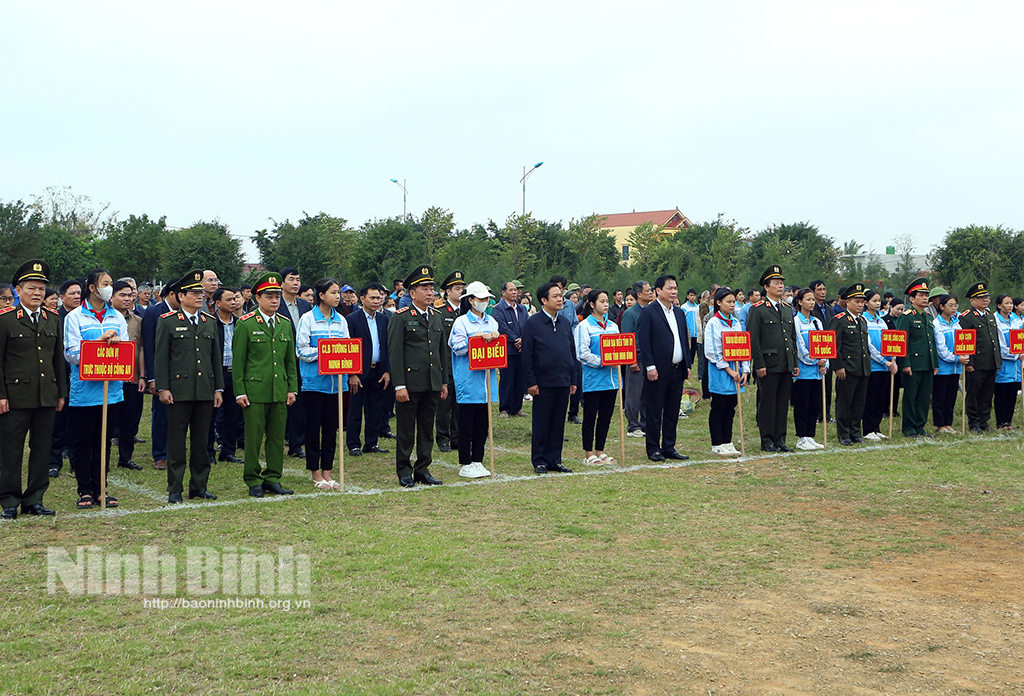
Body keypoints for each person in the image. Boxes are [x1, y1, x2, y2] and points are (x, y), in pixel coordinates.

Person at [0, 261, 65, 519]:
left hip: (46, 395)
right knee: (11, 450)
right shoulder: (5, 320)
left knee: (41, 449)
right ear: (18, 290)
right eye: (31, 288)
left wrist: (61, 393)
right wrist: (1, 395)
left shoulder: (53, 319)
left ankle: (34, 499)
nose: (37, 293)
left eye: (41, 288)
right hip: (15, 397)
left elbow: (57, 360)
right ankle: (8, 500)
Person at [154, 270, 223, 504]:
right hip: (179, 390)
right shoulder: (168, 321)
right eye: (194, 293)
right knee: (176, 441)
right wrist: (162, 387)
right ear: (180, 296)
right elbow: (161, 357)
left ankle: (199, 486)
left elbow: (215, 358)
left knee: (202, 441)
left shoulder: (209, 322)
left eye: (201, 292)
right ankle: (175, 487)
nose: (199, 296)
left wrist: (218, 389)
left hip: (204, 389)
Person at [64, 268, 129, 509]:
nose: (109, 288)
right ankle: (85, 490)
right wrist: (98, 343)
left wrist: (116, 343)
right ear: (92, 288)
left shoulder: (117, 317)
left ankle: (101, 488)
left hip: (111, 391)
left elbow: (125, 351)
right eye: (105, 283)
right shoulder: (75, 317)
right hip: (84, 392)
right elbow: (71, 354)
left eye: (111, 283)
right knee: (83, 441)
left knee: (103, 442)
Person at [234, 272, 298, 497]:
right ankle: (253, 479)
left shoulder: (284, 323)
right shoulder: (246, 324)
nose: (274, 300)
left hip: (279, 389)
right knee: (253, 437)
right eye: (269, 296)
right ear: (257, 298)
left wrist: (292, 388)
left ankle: (273, 477)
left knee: (277, 437)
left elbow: (290, 360)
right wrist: (239, 391)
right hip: (255, 390)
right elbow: (239, 361)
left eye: (277, 296)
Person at [387, 265, 450, 487]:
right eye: (424, 288)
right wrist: (399, 385)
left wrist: (443, 381)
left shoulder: (437, 316)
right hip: (410, 383)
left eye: (431, 287)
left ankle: (423, 469)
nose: (430, 292)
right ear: (412, 293)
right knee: (406, 429)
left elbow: (442, 351)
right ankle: (404, 469)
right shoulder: (401, 317)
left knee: (426, 429)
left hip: (431, 382)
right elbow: (395, 354)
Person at [296, 278, 349, 489]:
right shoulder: (308, 319)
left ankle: (327, 470)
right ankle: (315, 472)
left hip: (336, 385)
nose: (338, 296)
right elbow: (301, 350)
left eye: (338, 293)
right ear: (321, 295)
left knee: (330, 428)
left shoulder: (341, 321)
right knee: (313, 428)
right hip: (314, 384)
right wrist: (326, 353)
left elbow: (347, 348)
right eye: (333, 292)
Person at [522, 282, 576, 474]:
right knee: (541, 422)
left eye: (561, 295)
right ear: (544, 300)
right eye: (555, 296)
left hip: (563, 380)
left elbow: (571, 352)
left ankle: (555, 459)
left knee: (558, 422)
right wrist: (531, 381)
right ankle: (540, 460)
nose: (560, 299)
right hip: (542, 382)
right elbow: (527, 355)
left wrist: (573, 379)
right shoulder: (533, 323)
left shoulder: (564, 323)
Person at [636, 274, 691, 462]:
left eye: (675, 288)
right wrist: (650, 366)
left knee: (672, 410)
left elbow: (684, 340)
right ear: (658, 291)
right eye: (669, 288)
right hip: (657, 370)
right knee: (654, 410)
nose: (674, 291)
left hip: (677, 369)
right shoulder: (648, 312)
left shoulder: (679, 312)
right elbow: (644, 341)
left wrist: (687, 364)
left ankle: (669, 446)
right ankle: (653, 448)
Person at [448, 281, 499, 478]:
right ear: (470, 300)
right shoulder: (461, 322)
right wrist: (475, 339)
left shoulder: (492, 322)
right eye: (480, 299)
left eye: (486, 299)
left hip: (486, 381)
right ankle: (465, 462)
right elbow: (457, 347)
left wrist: (495, 337)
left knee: (482, 424)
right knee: (466, 424)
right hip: (468, 380)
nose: (484, 302)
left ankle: (478, 460)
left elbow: (497, 350)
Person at [748, 266, 798, 452]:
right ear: (766, 287)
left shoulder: (787, 308)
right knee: (768, 403)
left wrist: (794, 362)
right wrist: (759, 363)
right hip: (768, 365)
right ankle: (767, 439)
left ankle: (780, 438)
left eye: (781, 283)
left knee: (782, 402)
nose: (780, 286)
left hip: (785, 363)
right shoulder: (759, 309)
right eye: (776, 283)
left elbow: (791, 338)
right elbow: (754, 338)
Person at [574, 289, 621, 466]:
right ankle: (588, 453)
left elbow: (619, 349)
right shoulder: (584, 327)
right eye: (602, 301)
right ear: (592, 305)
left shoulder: (613, 326)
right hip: (593, 379)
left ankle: (600, 450)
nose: (606, 304)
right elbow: (582, 353)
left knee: (606, 416)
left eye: (607, 301)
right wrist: (602, 362)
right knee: (590, 417)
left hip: (612, 379)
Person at [346, 283, 391, 457]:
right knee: (355, 409)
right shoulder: (352, 319)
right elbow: (349, 347)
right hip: (359, 372)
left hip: (378, 370)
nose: (376, 301)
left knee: (375, 409)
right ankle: (353, 444)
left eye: (379, 298)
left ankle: (371, 442)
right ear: (362, 298)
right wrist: (352, 373)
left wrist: (387, 370)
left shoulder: (384, 319)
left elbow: (387, 347)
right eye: (372, 298)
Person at [703, 287, 748, 456]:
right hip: (721, 372)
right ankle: (717, 443)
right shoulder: (714, 323)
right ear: (718, 303)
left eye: (733, 302)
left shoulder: (736, 323)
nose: (732, 305)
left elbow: (743, 347)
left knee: (731, 408)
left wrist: (744, 370)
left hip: (736, 372)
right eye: (728, 302)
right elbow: (712, 351)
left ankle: (727, 441)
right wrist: (729, 370)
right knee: (719, 407)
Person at [142, 280, 180, 471]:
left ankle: (176, 451)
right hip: (162, 373)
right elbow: (149, 346)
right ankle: (160, 454)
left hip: (182, 373)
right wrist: (153, 377)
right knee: (162, 416)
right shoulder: (155, 312)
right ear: (172, 294)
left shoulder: (187, 313)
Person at [895, 278, 939, 438]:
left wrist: (935, 363)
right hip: (912, 364)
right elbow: (903, 342)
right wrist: (905, 363)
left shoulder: (927, 317)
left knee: (924, 398)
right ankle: (909, 428)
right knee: (911, 397)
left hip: (926, 364)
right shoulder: (906, 317)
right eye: (921, 295)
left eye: (926, 295)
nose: (925, 298)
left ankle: (920, 426)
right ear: (912, 299)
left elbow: (931, 342)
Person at [828, 283, 871, 446]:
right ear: (847, 302)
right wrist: (838, 366)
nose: (860, 305)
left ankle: (855, 432)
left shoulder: (862, 321)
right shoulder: (839, 320)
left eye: (862, 301)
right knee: (844, 402)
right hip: (847, 368)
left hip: (862, 367)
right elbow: (835, 346)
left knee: (859, 402)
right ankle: (844, 433)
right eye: (856, 301)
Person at [111, 280, 147, 470]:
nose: (127, 298)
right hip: (107, 378)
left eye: (129, 295)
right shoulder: (104, 319)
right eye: (122, 295)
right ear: (111, 296)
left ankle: (125, 458)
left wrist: (141, 376)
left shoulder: (137, 321)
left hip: (131, 378)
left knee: (129, 420)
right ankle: (100, 457)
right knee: (107, 420)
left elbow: (140, 348)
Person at [278, 267, 312, 459]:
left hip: (305, 360)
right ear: (282, 283)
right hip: (284, 360)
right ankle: (287, 437)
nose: (296, 283)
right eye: (291, 279)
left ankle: (297, 443)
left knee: (301, 401)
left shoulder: (305, 305)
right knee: (288, 401)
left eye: (298, 279)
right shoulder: (276, 304)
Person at [958, 282, 1001, 433]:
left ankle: (984, 421)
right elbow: (966, 342)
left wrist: (997, 360)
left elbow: (994, 340)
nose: (985, 300)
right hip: (976, 363)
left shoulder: (990, 316)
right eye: (981, 297)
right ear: (972, 300)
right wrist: (970, 362)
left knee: (987, 394)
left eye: (986, 297)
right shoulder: (967, 317)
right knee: (974, 394)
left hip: (990, 361)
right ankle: (974, 423)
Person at [792, 288, 827, 450]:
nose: (812, 302)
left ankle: (810, 435)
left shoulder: (817, 322)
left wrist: (825, 363)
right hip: (803, 372)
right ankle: (801, 437)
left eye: (813, 299)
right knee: (802, 405)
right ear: (799, 302)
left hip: (817, 374)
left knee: (814, 405)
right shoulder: (796, 321)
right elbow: (800, 349)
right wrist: (815, 362)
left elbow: (824, 345)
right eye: (808, 299)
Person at [433, 270, 464, 452]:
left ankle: (457, 436)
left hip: (463, 365)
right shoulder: (439, 312)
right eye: (457, 288)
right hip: (445, 363)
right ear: (447, 292)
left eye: (462, 288)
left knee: (460, 403)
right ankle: (442, 437)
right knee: (444, 403)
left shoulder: (467, 312)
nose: (461, 291)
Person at [862, 290, 898, 441]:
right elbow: (869, 346)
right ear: (866, 303)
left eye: (879, 301)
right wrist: (884, 361)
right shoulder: (863, 319)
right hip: (873, 365)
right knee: (870, 399)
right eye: (874, 300)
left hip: (885, 366)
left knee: (881, 399)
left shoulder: (881, 320)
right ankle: (868, 429)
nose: (877, 303)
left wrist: (893, 359)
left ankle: (876, 428)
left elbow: (890, 342)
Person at [212, 287, 243, 462]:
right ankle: (209, 450)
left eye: (234, 299)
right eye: (229, 300)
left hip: (235, 373)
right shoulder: (209, 322)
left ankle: (229, 451)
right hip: (216, 373)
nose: (233, 302)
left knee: (234, 413)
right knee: (212, 413)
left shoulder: (240, 323)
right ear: (217, 303)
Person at [493, 280, 529, 419]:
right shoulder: (499, 308)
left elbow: (527, 325)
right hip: (508, 349)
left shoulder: (521, 309)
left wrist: (523, 339)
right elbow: (502, 327)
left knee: (520, 379)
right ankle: (505, 408)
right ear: (503, 292)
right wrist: (515, 339)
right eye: (511, 290)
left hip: (521, 350)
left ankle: (517, 408)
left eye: (515, 290)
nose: (514, 292)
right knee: (507, 379)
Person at [620, 280, 651, 438]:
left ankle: (645, 423)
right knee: (634, 393)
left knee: (648, 393)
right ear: (639, 294)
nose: (651, 292)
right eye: (648, 290)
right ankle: (633, 425)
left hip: (650, 358)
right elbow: (626, 338)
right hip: (636, 358)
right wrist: (631, 360)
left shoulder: (652, 310)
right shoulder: (630, 313)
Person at [932, 294, 967, 434]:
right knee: (940, 397)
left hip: (955, 368)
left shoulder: (957, 323)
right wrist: (956, 358)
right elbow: (941, 349)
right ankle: (940, 425)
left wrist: (965, 356)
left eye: (955, 305)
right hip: (943, 367)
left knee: (951, 397)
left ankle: (948, 423)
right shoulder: (937, 324)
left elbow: (964, 342)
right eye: (950, 305)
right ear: (941, 306)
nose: (954, 308)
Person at [993, 294, 1022, 429]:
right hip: (1004, 363)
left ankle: (1008, 422)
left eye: (1011, 303)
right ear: (999, 305)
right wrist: (1015, 355)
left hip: (1016, 366)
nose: (1010, 306)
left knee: (1012, 394)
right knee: (1001, 395)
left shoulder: (1016, 321)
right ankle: (1000, 422)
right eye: (1006, 303)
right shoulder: (995, 321)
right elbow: (1000, 347)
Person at [809, 280, 835, 423]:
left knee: (828, 382)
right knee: (817, 384)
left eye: (824, 289)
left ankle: (827, 413)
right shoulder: (811, 309)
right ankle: (818, 413)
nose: (823, 292)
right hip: (815, 348)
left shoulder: (829, 309)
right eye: (819, 289)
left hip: (828, 348)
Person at [883, 298, 904, 415]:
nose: (899, 311)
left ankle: (894, 409)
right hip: (889, 356)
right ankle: (885, 409)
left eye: (902, 309)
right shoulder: (884, 320)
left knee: (896, 385)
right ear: (891, 307)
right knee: (887, 385)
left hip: (899, 355)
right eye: (897, 309)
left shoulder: (902, 320)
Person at [681, 288, 700, 368]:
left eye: (694, 295)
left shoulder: (697, 307)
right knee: (688, 349)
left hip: (696, 333)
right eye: (691, 295)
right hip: (689, 332)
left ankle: (691, 364)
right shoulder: (684, 307)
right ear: (688, 296)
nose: (692, 297)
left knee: (694, 351)